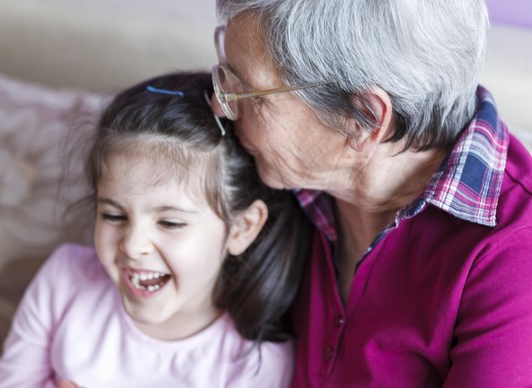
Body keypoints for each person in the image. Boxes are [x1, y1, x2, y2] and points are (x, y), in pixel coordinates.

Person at [210, 0, 532, 386]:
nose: (219, 105)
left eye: (251, 95)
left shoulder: (513, 253)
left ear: (361, 118)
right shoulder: (276, 169)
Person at [0, 72, 311, 388]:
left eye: (170, 222)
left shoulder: (256, 365)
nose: (133, 245)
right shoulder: (64, 281)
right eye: (114, 215)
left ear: (241, 228)